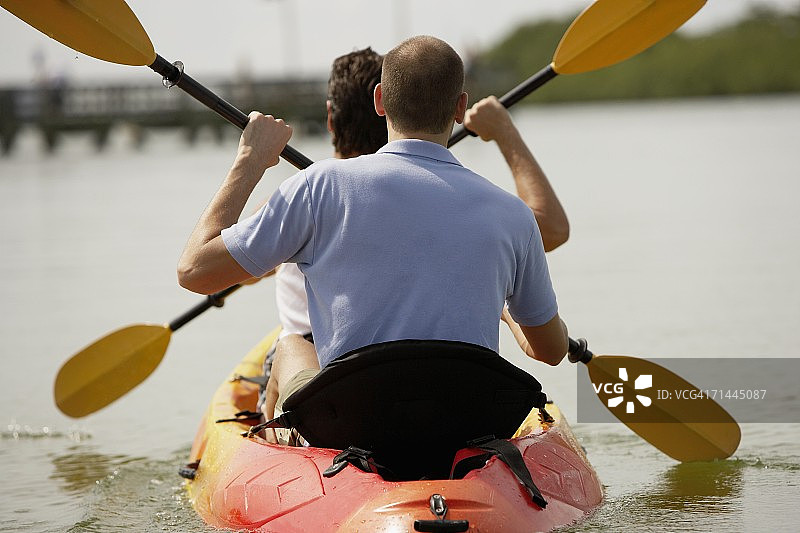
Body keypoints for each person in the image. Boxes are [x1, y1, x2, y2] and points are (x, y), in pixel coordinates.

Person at [178, 35, 569, 433]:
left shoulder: (318, 187)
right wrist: (505, 306)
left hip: (355, 423)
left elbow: (194, 272)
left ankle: (282, 448)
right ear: (460, 109)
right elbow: (551, 351)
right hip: (469, 421)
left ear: (380, 100)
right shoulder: (512, 213)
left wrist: (251, 160)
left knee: (292, 344)